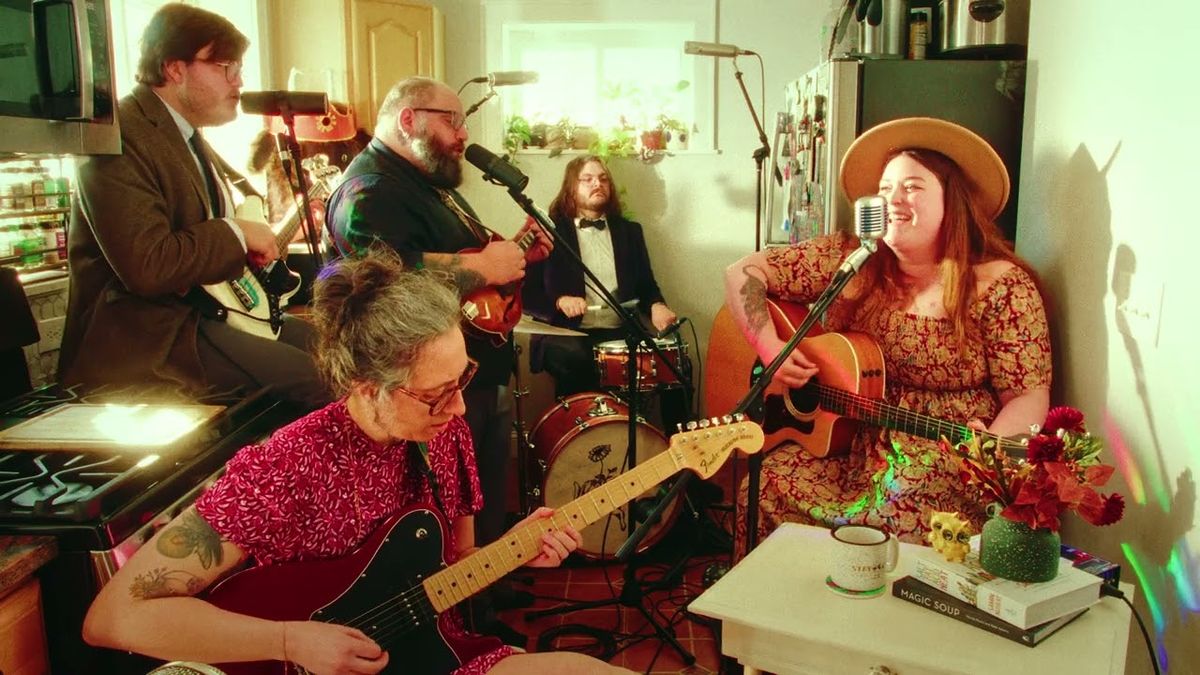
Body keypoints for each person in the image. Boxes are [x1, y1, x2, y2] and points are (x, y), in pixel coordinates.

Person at [82, 251, 633, 675]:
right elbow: (115, 617)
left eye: (462, 377)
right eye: (435, 393)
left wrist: (513, 552)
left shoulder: (445, 433)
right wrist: (289, 641)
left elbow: (454, 566)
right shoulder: (284, 467)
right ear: (368, 389)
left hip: (433, 655)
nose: (459, 407)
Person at [722, 117, 1051, 554]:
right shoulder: (851, 258)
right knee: (762, 486)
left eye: (912, 187)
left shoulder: (1000, 285)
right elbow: (742, 273)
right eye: (885, 188)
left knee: (892, 519)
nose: (893, 199)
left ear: (952, 200)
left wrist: (987, 452)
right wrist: (770, 347)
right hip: (852, 450)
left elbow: (1028, 394)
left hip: (944, 461)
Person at [325, 76, 551, 636]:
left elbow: (468, 262)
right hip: (426, 388)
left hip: (472, 370)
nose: (463, 134)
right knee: (449, 506)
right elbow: (381, 278)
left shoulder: (427, 185)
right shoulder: (367, 190)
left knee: (482, 491)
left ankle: (489, 587)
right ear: (409, 119)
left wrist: (515, 256)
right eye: (452, 120)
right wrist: (482, 267)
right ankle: (466, 625)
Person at [58, 3, 326, 410]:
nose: (239, 81)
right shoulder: (117, 135)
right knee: (318, 380)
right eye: (225, 67)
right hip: (148, 335)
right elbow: (148, 266)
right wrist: (237, 234)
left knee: (340, 352)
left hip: (208, 312)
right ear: (174, 68)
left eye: (239, 68)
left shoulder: (186, 134)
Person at [522, 155, 688, 429]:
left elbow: (646, 286)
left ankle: (681, 444)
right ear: (571, 188)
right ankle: (584, 440)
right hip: (567, 333)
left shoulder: (630, 232)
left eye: (602, 179)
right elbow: (526, 294)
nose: (597, 184)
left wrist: (656, 305)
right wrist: (559, 301)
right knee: (577, 360)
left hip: (619, 332)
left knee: (675, 362)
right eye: (587, 179)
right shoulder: (549, 232)